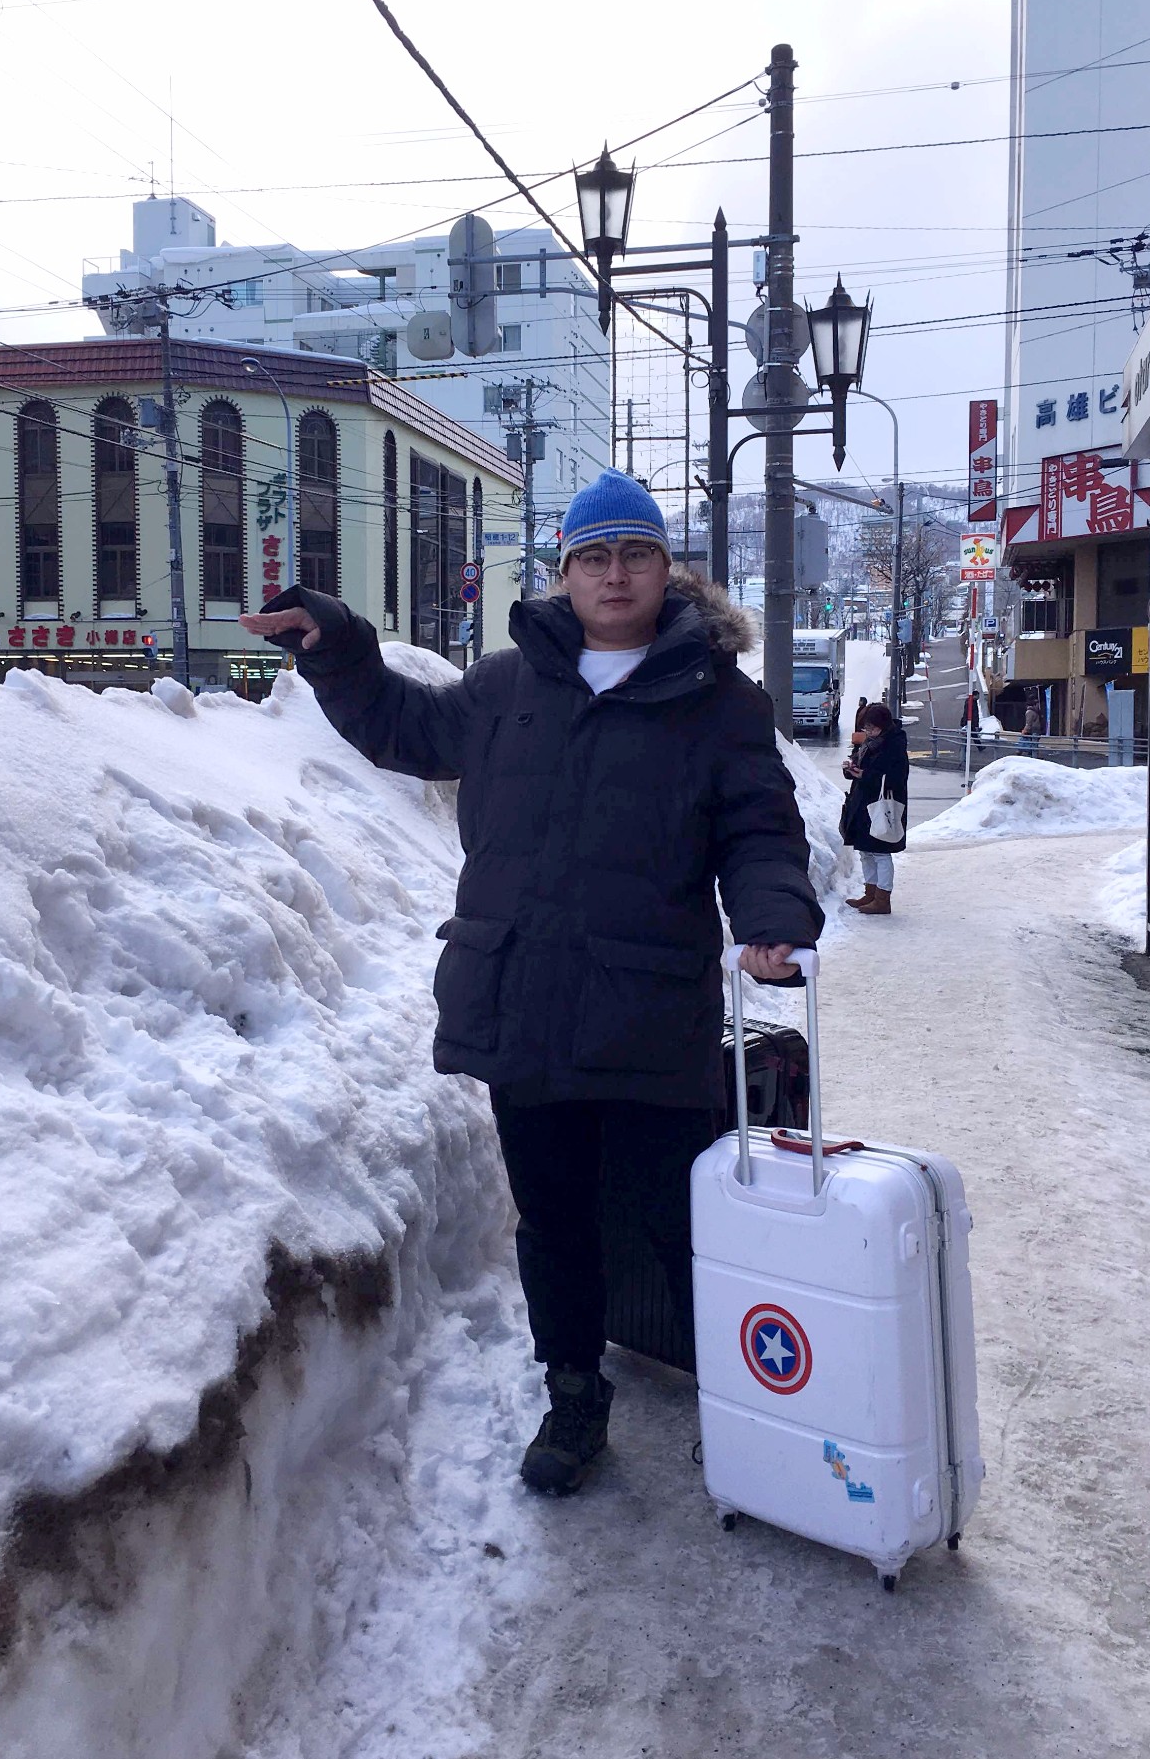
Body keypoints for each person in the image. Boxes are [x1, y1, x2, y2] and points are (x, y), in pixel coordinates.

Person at [239, 471, 823, 1497]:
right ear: (564, 573)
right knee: (552, 1215)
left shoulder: (718, 699)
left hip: (649, 1010)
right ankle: (574, 1388)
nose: (614, 573)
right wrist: (341, 651)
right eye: (593, 556)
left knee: (670, 1214)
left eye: (634, 553)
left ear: (664, 568)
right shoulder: (509, 684)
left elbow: (759, 827)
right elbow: (405, 729)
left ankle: (741, 1394)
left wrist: (772, 918)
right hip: (529, 1000)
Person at [839, 699, 908, 915]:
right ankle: (870, 893)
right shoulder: (869, 743)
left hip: (882, 805)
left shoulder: (894, 745)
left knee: (880, 852)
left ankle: (882, 899)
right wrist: (850, 768)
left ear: (883, 725)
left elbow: (898, 779)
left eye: (871, 727)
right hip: (862, 802)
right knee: (866, 851)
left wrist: (866, 776)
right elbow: (860, 764)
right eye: (865, 727)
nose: (867, 731)